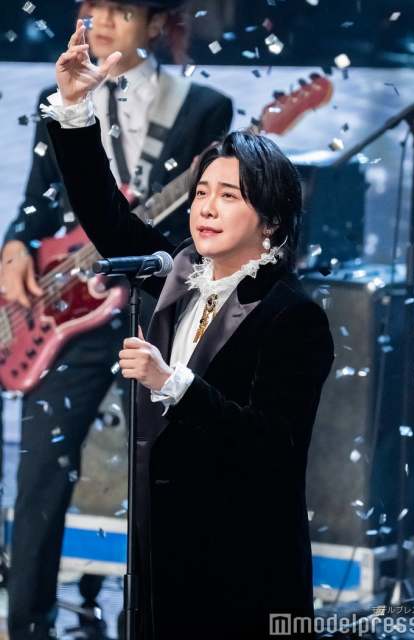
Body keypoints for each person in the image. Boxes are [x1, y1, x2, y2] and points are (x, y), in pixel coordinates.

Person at [41, 20, 335, 640]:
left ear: (271, 221)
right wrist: (74, 107)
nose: (205, 207)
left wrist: (172, 383)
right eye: (202, 191)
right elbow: (105, 214)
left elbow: (273, 449)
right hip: (162, 557)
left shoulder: (292, 316)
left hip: (245, 569)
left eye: (229, 195)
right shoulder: (176, 277)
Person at [0, 2, 232, 639]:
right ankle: (27, 626)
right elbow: (38, 200)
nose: (100, 21)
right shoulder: (56, 97)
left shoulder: (201, 107)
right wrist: (15, 243)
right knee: (40, 476)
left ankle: (155, 621)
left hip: (154, 313)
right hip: (67, 318)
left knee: (166, 472)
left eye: (121, 10)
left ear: (155, 24)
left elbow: (200, 220)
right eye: (92, 8)